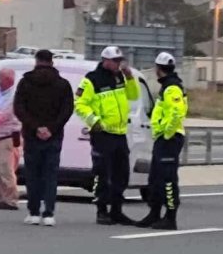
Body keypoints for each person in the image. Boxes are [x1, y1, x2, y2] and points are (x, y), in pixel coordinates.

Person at [75, 46, 141, 226]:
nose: (119, 64)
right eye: (116, 61)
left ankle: (117, 210)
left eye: (120, 61)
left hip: (120, 133)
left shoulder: (119, 76)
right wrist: (93, 121)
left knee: (121, 174)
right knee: (102, 174)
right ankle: (102, 210)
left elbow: (133, 96)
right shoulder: (92, 80)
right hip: (103, 133)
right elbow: (80, 104)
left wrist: (129, 77)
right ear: (106, 61)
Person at [13, 50, 74, 226]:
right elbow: (67, 110)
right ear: (51, 61)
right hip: (54, 136)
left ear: (37, 61)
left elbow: (19, 108)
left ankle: (33, 211)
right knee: (50, 174)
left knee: (33, 173)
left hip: (32, 135)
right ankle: (48, 212)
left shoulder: (26, 83)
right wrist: (52, 128)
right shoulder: (63, 85)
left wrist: (35, 127)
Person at [136, 52, 187, 230]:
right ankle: (154, 213)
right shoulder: (166, 86)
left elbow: (176, 113)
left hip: (170, 139)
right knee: (155, 177)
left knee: (167, 179)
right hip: (162, 138)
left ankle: (170, 217)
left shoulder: (172, 87)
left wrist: (167, 134)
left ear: (158, 69)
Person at [0, 68, 22, 210]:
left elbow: (5, 115)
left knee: (6, 169)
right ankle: (0, 196)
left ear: (8, 79)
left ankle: (11, 199)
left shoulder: (14, 96)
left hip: (10, 136)